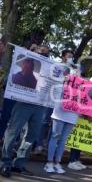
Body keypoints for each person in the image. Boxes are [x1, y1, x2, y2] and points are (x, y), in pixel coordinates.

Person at [0, 45, 50, 178]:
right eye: (42, 53)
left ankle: (19, 164)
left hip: (40, 106)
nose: (45, 56)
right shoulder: (17, 74)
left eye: (47, 54)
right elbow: (6, 84)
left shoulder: (47, 72)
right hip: (22, 104)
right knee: (13, 131)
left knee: (31, 136)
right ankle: (5, 163)